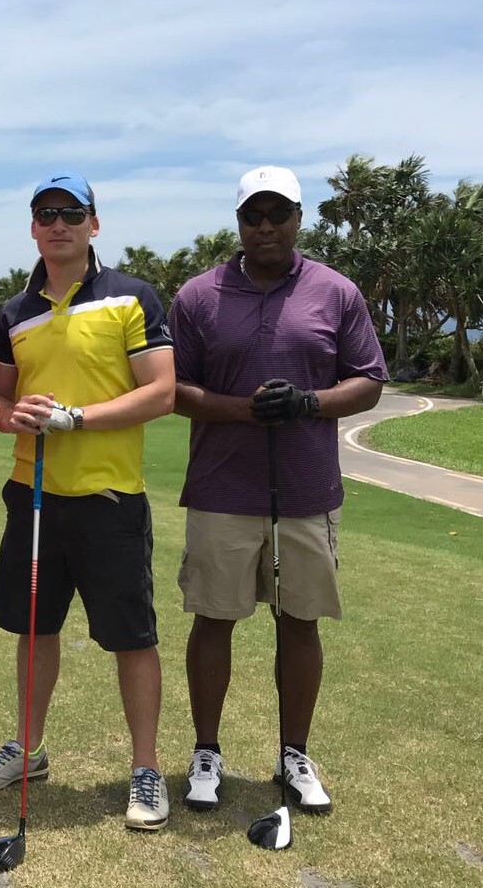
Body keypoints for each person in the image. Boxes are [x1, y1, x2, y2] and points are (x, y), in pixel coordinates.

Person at [169, 165, 387, 815]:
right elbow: (173, 388)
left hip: (305, 489)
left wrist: (307, 403)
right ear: (239, 222)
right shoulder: (199, 296)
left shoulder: (335, 291)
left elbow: (368, 380)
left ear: (298, 217)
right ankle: (207, 751)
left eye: (278, 214)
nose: (265, 226)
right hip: (221, 487)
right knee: (214, 619)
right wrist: (245, 410)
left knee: (300, 622)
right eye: (253, 215)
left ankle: (294, 753)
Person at [0, 172, 176, 831]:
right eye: (45, 213)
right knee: (35, 630)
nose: (58, 223)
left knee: (131, 638)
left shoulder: (131, 296)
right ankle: (28, 749)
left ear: (94, 223)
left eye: (71, 213)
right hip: (33, 496)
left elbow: (161, 391)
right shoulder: (15, 312)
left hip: (110, 499)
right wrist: (13, 417)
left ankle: (146, 768)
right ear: (33, 227)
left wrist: (76, 418)